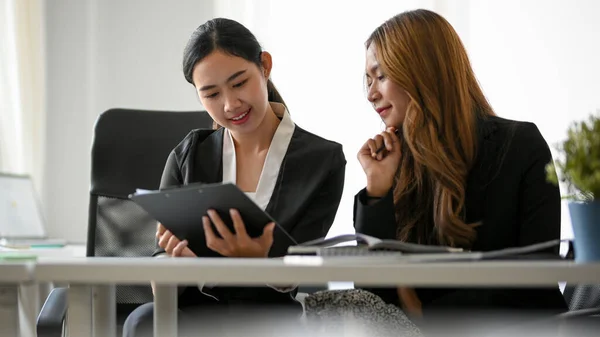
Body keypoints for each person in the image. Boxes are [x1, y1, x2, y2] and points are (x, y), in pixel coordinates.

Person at [305, 8, 567, 336]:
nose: (371, 94)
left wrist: (427, 312)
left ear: (422, 69)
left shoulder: (520, 145)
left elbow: (536, 277)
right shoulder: (398, 160)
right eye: (368, 80)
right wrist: (377, 190)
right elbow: (374, 294)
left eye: (381, 75)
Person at [123, 18, 346, 337]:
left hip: (269, 320)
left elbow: (300, 270)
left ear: (265, 66)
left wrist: (262, 262)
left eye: (239, 83)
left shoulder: (322, 161)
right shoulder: (189, 154)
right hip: (192, 317)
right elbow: (162, 282)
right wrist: (175, 266)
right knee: (145, 320)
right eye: (211, 94)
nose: (230, 104)